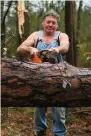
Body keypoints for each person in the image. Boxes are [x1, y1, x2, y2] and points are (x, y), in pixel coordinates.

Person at [17, 9, 69, 136]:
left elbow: (65, 46)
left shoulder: (61, 35)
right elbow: (19, 49)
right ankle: (40, 132)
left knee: (58, 109)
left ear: (57, 25)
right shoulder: (36, 36)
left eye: (53, 23)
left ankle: (59, 133)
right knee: (39, 108)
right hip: (38, 79)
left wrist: (56, 49)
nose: (50, 24)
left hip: (58, 79)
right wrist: (30, 48)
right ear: (43, 23)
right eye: (48, 22)